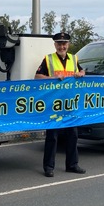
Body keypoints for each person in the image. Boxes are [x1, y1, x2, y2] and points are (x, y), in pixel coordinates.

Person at [35, 32, 86, 177]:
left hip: (70, 104)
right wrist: (53, 77)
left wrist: (81, 73)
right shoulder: (48, 59)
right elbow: (37, 77)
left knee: (72, 135)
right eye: (59, 43)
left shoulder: (74, 58)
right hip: (54, 104)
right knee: (52, 136)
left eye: (64, 43)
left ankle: (72, 164)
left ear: (68, 44)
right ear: (55, 45)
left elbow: (81, 70)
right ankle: (49, 167)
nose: (62, 46)